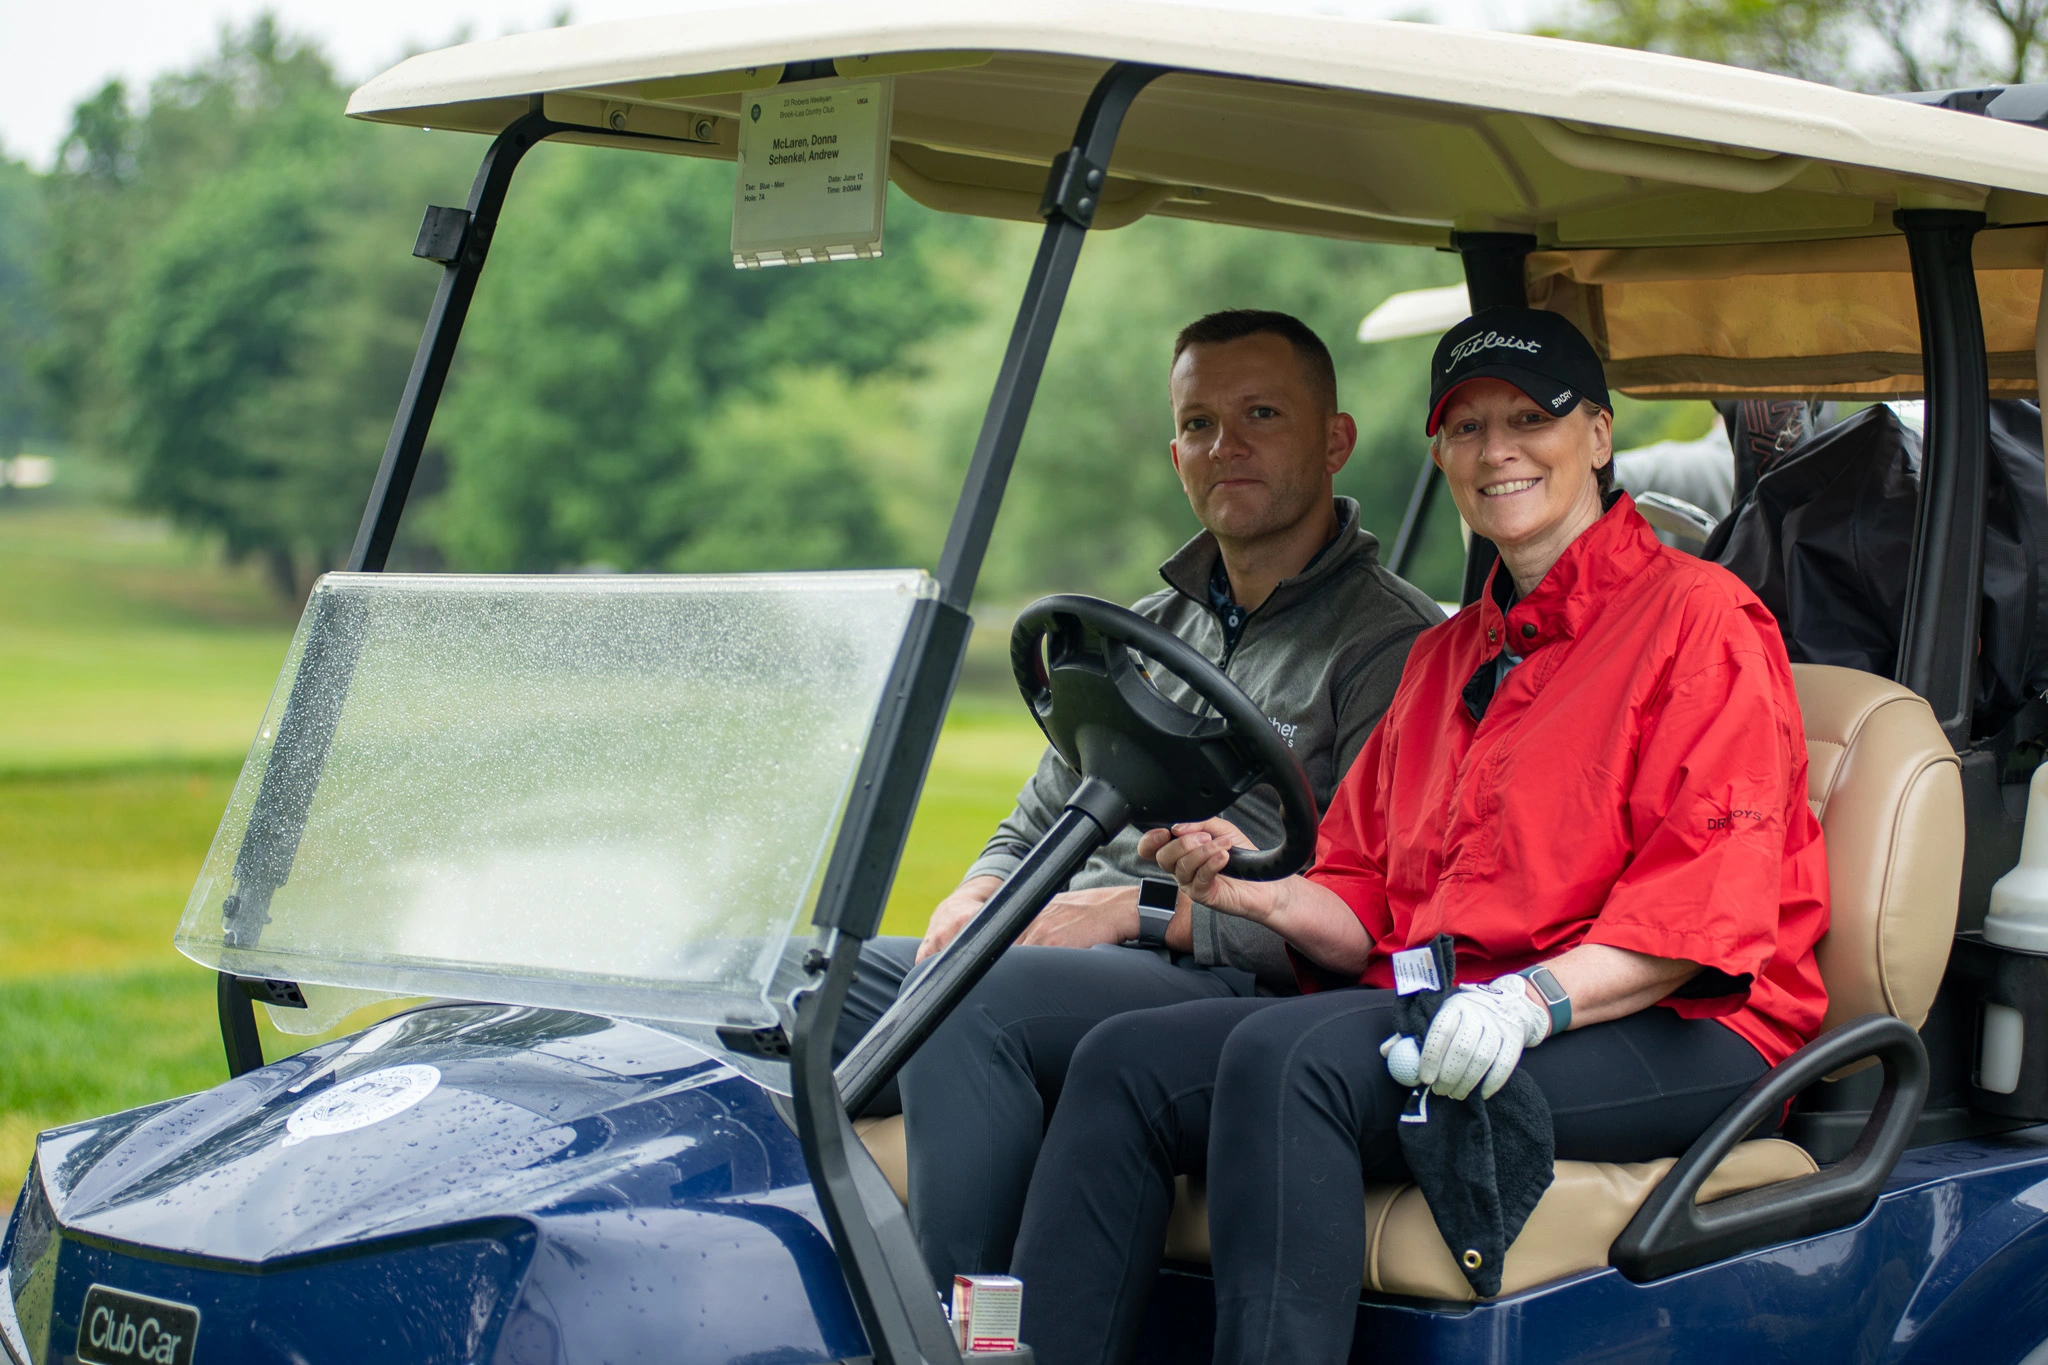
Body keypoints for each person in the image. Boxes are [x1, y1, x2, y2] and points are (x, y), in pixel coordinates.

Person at [1007, 306, 1831, 1365]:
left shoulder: (1700, 621)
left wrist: (1527, 1002)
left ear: (1596, 435)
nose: (1497, 451)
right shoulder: (1449, 658)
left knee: (1289, 1059)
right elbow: (1361, 897)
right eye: (1466, 427)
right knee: (1124, 1061)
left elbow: (1695, 912)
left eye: (1529, 419)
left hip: (1685, 1024)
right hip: (1459, 1005)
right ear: (1440, 456)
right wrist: (1253, 891)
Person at [834, 309, 1445, 1290]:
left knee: (967, 1004)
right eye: (1199, 424)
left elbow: (1365, 905)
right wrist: (981, 891)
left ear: (1335, 440)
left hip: (1230, 980)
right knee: (793, 988)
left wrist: (1138, 910)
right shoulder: (1152, 627)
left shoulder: (1394, 646)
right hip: (1072, 952)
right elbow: (1037, 817)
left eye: (1260, 415)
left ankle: (963, 1340)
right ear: (1175, 456)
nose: (1225, 445)